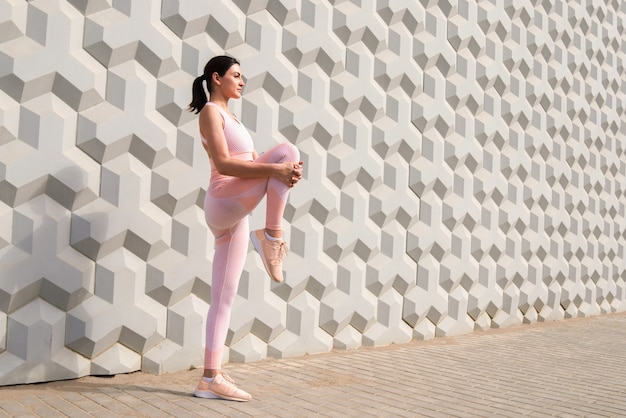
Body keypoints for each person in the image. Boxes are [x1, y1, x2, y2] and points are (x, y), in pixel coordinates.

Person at [188, 55, 303, 401]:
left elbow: (251, 168)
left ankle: (209, 378)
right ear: (216, 77)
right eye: (236, 75)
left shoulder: (233, 117)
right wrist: (278, 170)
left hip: (236, 213)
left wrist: (283, 175)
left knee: (224, 297)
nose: (242, 81)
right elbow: (224, 164)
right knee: (286, 152)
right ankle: (272, 237)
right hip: (223, 199)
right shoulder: (212, 112)